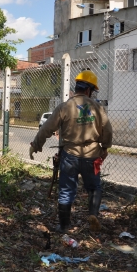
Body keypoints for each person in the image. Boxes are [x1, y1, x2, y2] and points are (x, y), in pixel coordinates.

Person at [29, 70, 112, 233]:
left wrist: (36, 145)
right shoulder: (97, 107)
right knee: (94, 187)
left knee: (66, 190)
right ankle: (93, 214)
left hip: (70, 156)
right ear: (89, 90)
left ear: (78, 88)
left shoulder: (64, 107)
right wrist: (104, 147)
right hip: (92, 155)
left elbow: (47, 128)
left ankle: (64, 226)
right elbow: (107, 130)